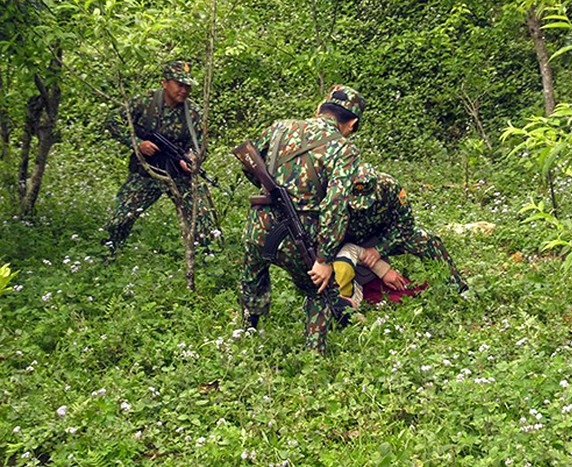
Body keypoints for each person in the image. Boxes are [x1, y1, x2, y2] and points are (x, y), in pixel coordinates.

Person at [240, 85, 366, 354]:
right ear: (351, 123)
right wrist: (324, 259)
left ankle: (246, 336)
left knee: (253, 277)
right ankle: (313, 360)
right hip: (299, 236)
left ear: (320, 109)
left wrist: (268, 185)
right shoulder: (344, 150)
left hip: (258, 225)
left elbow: (249, 161)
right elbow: (336, 205)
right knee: (316, 291)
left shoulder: (280, 127)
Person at [103, 60, 215, 255]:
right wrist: (137, 143)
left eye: (187, 86)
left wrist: (192, 159)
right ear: (164, 83)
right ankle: (107, 260)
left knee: (204, 225)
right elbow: (113, 121)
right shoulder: (145, 103)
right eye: (179, 84)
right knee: (118, 220)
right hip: (148, 172)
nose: (184, 90)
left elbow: (200, 145)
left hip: (179, 174)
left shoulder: (193, 113)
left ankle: (209, 267)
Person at [332, 163, 470, 307]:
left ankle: (457, 290)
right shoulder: (336, 193)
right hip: (348, 244)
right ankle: (339, 301)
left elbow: (406, 223)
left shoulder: (389, 186)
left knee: (424, 239)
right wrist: (381, 269)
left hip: (382, 238)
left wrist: (379, 249)